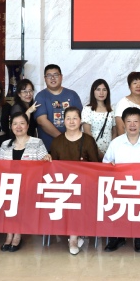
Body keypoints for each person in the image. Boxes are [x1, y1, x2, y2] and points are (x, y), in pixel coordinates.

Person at [103, 107, 140, 253]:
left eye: (136, 121)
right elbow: (106, 164)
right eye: (129, 121)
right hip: (120, 187)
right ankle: (118, 237)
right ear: (123, 123)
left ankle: (139, 237)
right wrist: (110, 166)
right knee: (113, 202)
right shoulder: (116, 143)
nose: (132, 125)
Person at [0, 112, 51, 252]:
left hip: (29, 186)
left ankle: (17, 235)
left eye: (22, 123)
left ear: (27, 125)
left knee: (21, 200)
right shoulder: (5, 144)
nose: (18, 127)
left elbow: (44, 163)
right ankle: (9, 234)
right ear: (11, 127)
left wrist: (46, 158)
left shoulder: (37, 142)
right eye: (15, 124)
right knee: (8, 199)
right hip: (9, 185)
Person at [50, 107, 98, 255]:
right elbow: (53, 168)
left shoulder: (88, 140)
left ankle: (73, 239)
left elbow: (96, 165)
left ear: (80, 121)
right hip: (63, 186)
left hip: (85, 186)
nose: (71, 122)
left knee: (77, 198)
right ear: (63, 121)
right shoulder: (57, 142)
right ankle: (74, 237)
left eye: (75, 118)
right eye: (68, 118)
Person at [34, 64, 83, 151]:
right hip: (48, 148)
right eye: (49, 75)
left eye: (56, 75)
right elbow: (42, 121)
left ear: (61, 77)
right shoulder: (41, 96)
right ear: (45, 78)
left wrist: (71, 139)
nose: (52, 78)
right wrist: (63, 139)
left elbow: (80, 118)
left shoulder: (72, 95)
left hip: (72, 146)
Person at [82, 79, 117, 160]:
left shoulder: (112, 110)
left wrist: (111, 151)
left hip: (109, 152)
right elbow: (87, 132)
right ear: (93, 92)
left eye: (104, 90)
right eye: (98, 89)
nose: (101, 93)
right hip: (92, 150)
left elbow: (115, 132)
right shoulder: (87, 109)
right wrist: (97, 152)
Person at [114, 71, 140, 139]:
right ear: (129, 86)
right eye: (135, 83)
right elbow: (120, 128)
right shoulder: (122, 103)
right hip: (130, 143)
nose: (138, 86)